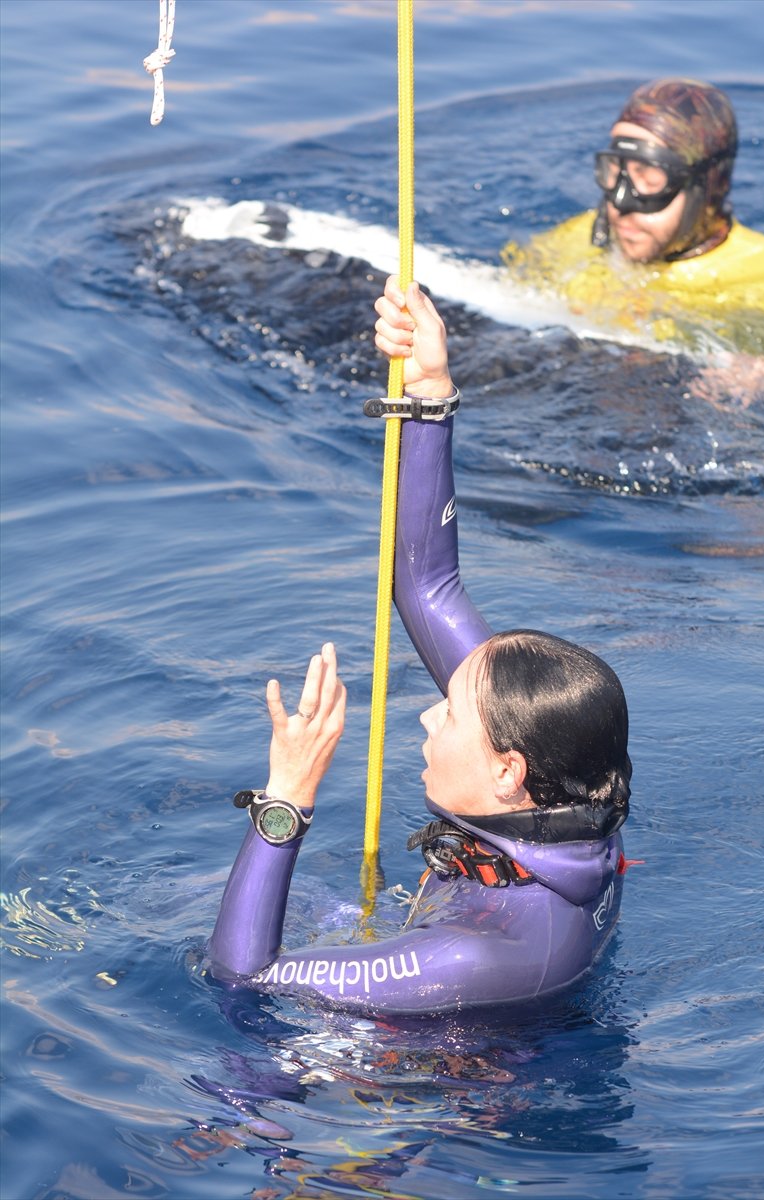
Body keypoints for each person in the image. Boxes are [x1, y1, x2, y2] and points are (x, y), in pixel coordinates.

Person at [207, 278, 633, 1016]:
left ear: (509, 769)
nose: (428, 718)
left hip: (432, 1087)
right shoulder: (576, 796)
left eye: (451, 715)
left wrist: (286, 802)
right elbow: (426, 586)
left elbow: (244, 980)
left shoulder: (471, 956)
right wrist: (431, 391)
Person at [502, 78, 764, 393]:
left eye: (650, 177)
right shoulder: (570, 240)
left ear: (710, 185)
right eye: (616, 170)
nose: (620, 202)